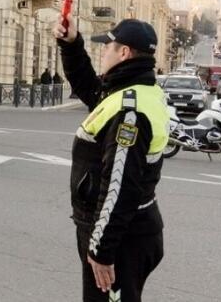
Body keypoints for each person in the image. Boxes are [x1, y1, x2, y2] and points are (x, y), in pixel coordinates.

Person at [53, 15, 168, 302]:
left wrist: (102, 252)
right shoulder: (137, 90)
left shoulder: (130, 111)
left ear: (124, 53)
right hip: (130, 231)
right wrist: (71, 44)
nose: (103, 52)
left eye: (108, 47)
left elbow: (120, 187)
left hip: (121, 240)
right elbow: (91, 89)